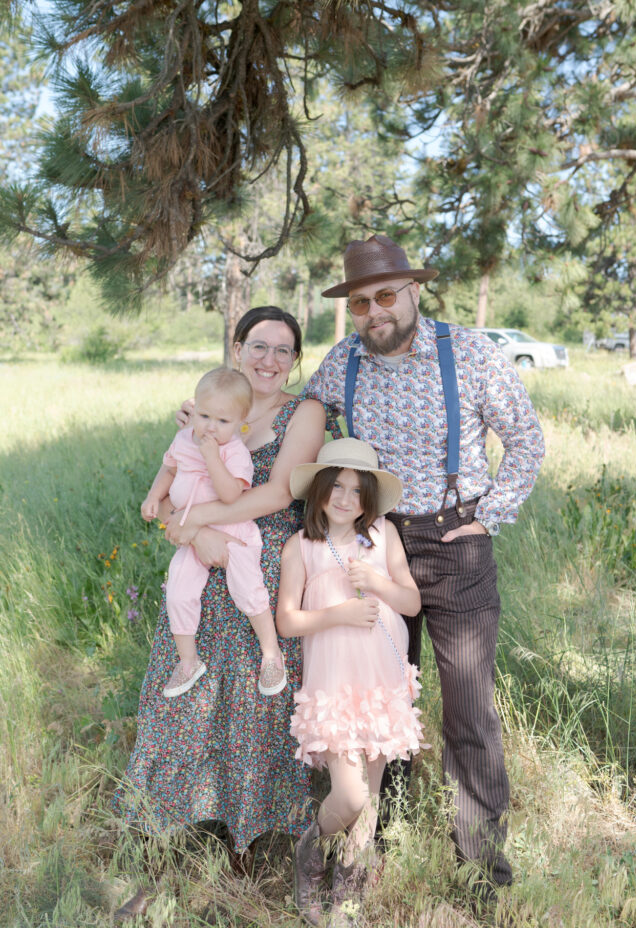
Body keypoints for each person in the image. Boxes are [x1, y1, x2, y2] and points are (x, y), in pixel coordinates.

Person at [303, 234, 545, 902]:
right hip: (375, 545)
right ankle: (371, 842)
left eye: (384, 296)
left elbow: (525, 438)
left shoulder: (467, 352)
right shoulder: (343, 358)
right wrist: (206, 434)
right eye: (359, 303)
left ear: (413, 291)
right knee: (376, 700)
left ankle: (480, 872)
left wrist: (487, 515)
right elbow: (294, 419)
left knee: (467, 709)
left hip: (453, 541)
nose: (373, 312)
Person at [113, 307, 335, 923]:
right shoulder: (206, 404)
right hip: (198, 574)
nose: (269, 359)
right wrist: (182, 531)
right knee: (180, 703)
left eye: (283, 350)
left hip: (259, 575)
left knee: (248, 710)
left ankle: (245, 850)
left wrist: (193, 526)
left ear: (295, 360)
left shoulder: (304, 413)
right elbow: (172, 490)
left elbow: (276, 494)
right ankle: (162, 855)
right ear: (237, 348)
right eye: (258, 346)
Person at [277, 438, 424, 927]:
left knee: (372, 799)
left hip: (382, 680)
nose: (344, 499)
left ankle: (347, 892)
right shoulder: (300, 547)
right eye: (336, 487)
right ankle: (310, 853)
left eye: (356, 492)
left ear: (368, 502)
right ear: (320, 489)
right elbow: (286, 622)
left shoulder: (383, 536)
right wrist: (338, 612)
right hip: (335, 685)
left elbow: (411, 602)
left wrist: (378, 583)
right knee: (351, 796)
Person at [141, 366, 287, 699]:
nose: (210, 427)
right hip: (192, 535)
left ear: (240, 421)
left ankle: (270, 653)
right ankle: (188, 661)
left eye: (223, 421)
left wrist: (212, 458)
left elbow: (231, 495)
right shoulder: (183, 438)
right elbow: (170, 469)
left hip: (232, 529)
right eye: (204, 415)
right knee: (178, 589)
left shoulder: (233, 451)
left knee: (248, 588)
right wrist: (153, 496)